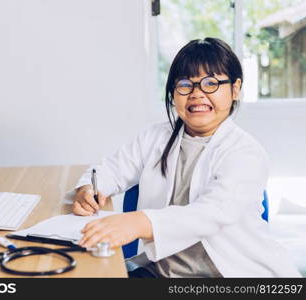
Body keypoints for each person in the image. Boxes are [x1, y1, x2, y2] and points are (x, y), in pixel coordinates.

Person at [65, 37, 301, 277]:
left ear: (235, 89)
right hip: (163, 271)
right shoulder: (155, 137)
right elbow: (113, 168)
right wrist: (88, 189)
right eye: (185, 84)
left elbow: (211, 213)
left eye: (211, 83)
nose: (197, 94)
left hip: (230, 273)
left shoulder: (246, 153)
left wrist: (140, 222)